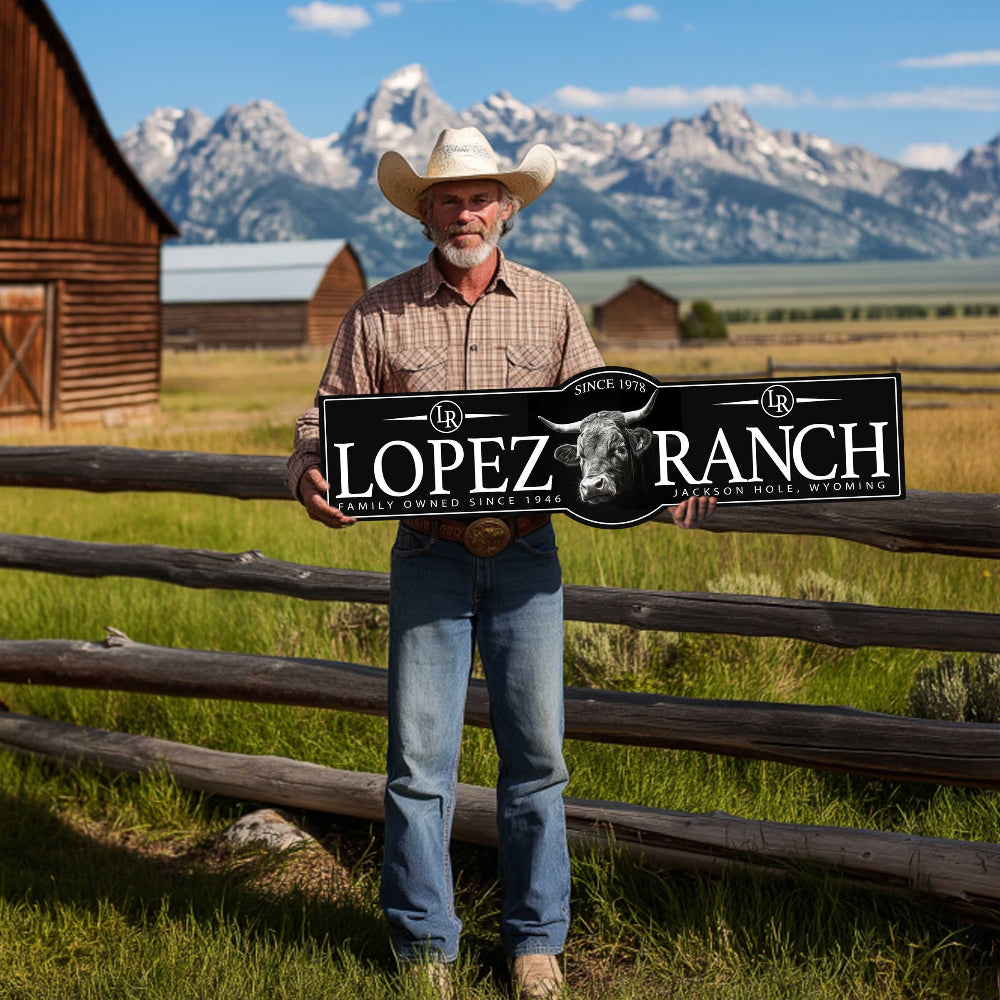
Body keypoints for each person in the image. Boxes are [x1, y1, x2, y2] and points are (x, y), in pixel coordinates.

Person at [287, 126, 715, 998]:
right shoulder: (378, 313)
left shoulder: (553, 307)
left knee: (536, 758)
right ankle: (424, 953)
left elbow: (611, 428)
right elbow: (320, 423)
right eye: (449, 197)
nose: (467, 211)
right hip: (428, 555)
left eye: (482, 196)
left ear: (507, 210)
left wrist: (672, 476)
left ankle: (534, 945)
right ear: (424, 212)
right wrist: (308, 473)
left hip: (527, 557)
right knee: (417, 765)